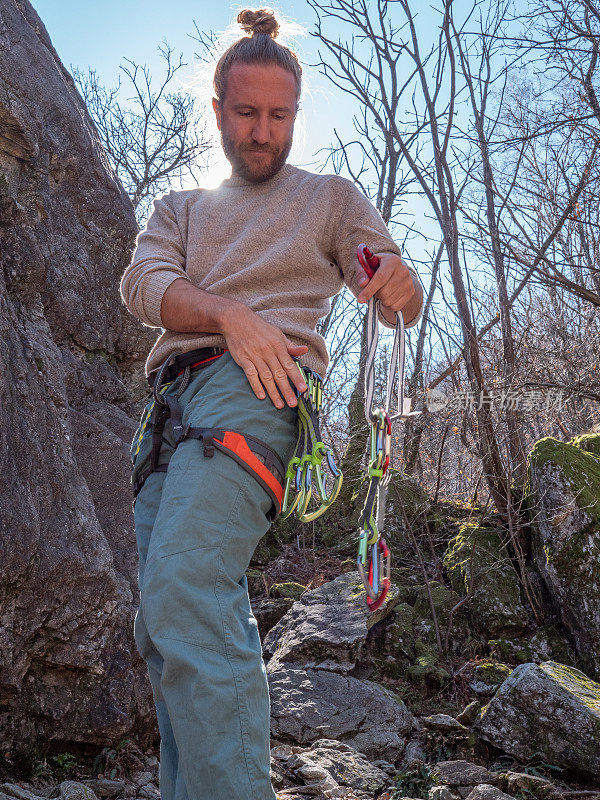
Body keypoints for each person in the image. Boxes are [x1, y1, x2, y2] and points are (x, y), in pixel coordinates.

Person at [120, 7, 424, 800]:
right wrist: (229, 313)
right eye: (246, 113)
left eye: (279, 116)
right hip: (167, 414)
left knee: (186, 590)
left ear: (296, 114)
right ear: (217, 110)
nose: (262, 132)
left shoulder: (328, 199)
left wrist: (397, 282)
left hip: (258, 397)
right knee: (165, 621)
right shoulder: (179, 209)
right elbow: (143, 287)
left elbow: (385, 280)